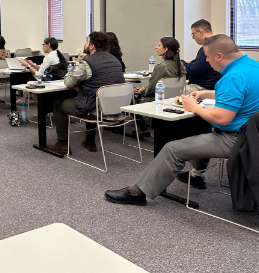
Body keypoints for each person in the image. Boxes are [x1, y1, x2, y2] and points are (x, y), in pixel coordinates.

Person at [105, 35, 259, 206]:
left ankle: (138, 192)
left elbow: (222, 119)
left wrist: (194, 107)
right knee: (201, 129)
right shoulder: (252, 66)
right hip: (253, 136)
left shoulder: (232, 78)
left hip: (236, 139)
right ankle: (196, 175)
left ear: (219, 56)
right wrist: (207, 93)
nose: (206, 60)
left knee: (172, 149)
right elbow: (242, 93)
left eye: (208, 56)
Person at [49, 32, 125, 154]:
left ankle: (62, 143)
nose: (85, 44)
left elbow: (68, 83)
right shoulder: (115, 60)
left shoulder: (87, 63)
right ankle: (90, 140)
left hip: (97, 110)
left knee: (58, 105)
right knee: (89, 99)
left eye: (87, 42)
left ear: (92, 46)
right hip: (117, 109)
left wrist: (78, 64)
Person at [133, 37, 186, 138]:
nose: (156, 47)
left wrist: (141, 91)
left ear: (165, 49)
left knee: (132, 97)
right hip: (172, 99)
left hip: (158, 99)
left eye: (159, 45)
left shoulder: (161, 67)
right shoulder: (181, 66)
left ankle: (143, 129)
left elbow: (151, 89)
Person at [16, 37, 66, 104]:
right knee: (32, 80)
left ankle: (40, 109)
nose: (42, 47)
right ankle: (24, 99)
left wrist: (28, 66)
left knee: (32, 83)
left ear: (48, 45)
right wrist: (33, 65)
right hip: (57, 79)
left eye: (43, 44)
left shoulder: (48, 57)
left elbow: (39, 75)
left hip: (49, 81)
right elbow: (45, 69)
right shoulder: (57, 54)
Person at [182, 19, 221, 92]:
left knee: (179, 91)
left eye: (193, 34)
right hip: (216, 86)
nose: (193, 37)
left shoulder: (207, 47)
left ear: (200, 32)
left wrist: (182, 63)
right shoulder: (220, 43)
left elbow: (193, 70)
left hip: (204, 86)